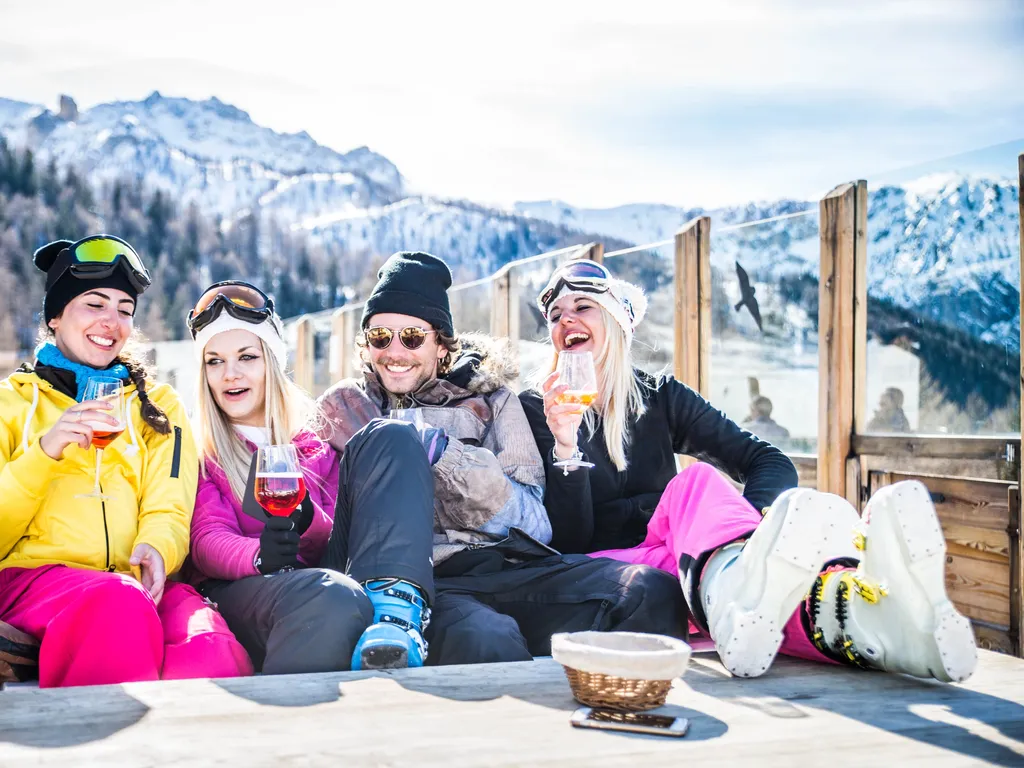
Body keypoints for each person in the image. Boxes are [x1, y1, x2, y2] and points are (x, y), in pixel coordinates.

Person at [520, 258, 977, 682]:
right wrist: (565, 442)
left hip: (693, 567)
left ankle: (878, 626)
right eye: (556, 315)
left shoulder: (660, 396)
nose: (566, 320)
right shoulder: (536, 410)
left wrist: (750, 535)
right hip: (610, 572)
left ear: (617, 323)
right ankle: (753, 573)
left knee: (753, 585)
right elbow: (569, 541)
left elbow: (768, 461)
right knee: (697, 487)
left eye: (582, 306)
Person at [319, 252, 688, 666]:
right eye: (380, 337)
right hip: (432, 584)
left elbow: (536, 523)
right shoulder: (343, 412)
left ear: (442, 346)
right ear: (366, 347)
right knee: (487, 641)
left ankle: (616, 712)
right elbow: (328, 528)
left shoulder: (494, 403)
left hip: (512, 567)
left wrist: (446, 456)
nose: (394, 351)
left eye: (411, 337)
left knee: (649, 591)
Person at [0, 235, 251, 687]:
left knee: (214, 656)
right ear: (55, 317)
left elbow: (169, 504)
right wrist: (44, 453)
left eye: (124, 309)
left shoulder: (158, 407)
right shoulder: (10, 405)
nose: (111, 321)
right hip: (32, 582)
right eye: (94, 304)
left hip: (137, 584)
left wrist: (158, 546)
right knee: (117, 606)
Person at [187, 281, 436, 673]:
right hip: (243, 589)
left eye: (246, 357)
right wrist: (258, 556)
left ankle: (395, 616)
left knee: (391, 435)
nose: (230, 374)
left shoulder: (313, 443)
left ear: (271, 362)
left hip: (324, 576)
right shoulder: (203, 453)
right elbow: (206, 538)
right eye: (214, 361)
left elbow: (345, 531)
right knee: (332, 596)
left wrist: (308, 521)